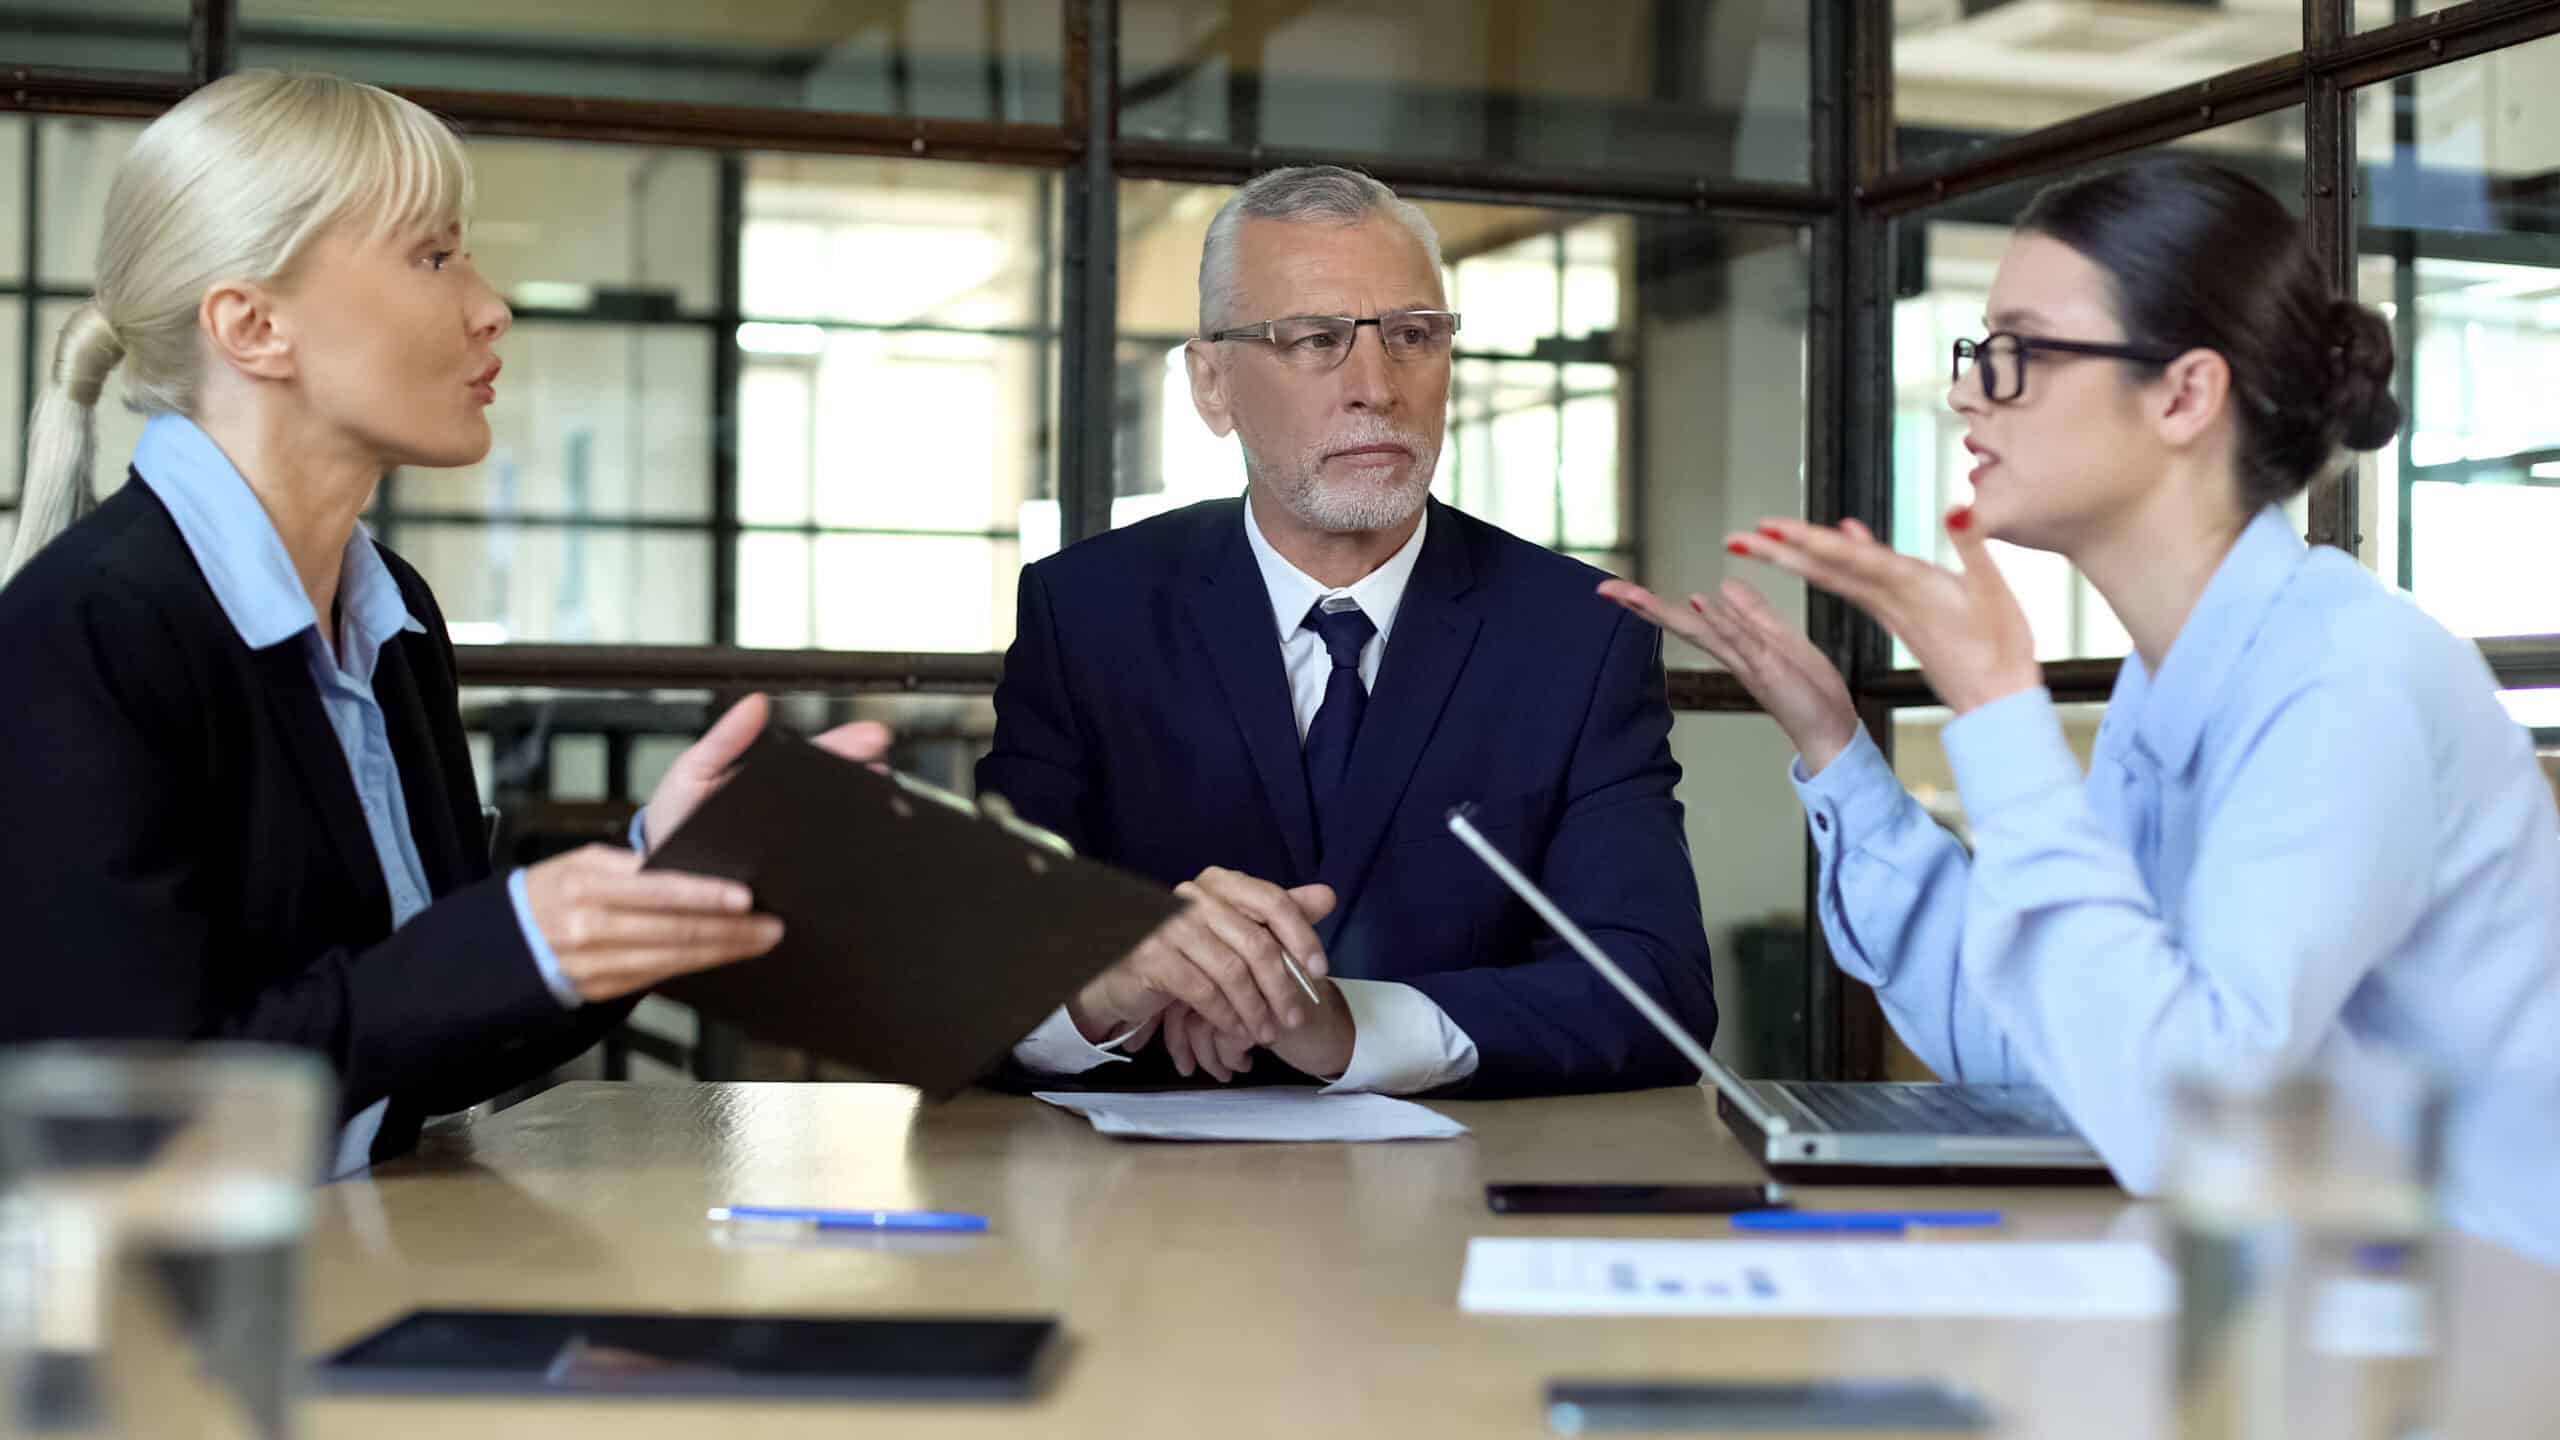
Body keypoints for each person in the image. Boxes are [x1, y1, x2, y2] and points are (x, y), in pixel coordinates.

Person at [1600, 157, 2560, 1243]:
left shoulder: (2345, 681)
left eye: (2017, 352)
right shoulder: (2174, 676)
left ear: (2184, 394)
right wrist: (1832, 745)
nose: (1967, 391)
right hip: (2292, 1299)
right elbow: (2037, 1051)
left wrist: (2002, 716)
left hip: (2486, 1329)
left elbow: (2172, 1115)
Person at [0, 70, 884, 1174]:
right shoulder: (83, 632)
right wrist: (512, 936)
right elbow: (136, 1114)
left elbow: (429, 1049)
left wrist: (652, 867)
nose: (488, 303)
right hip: (179, 1314)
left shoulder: (392, 611)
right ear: (254, 325)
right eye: (434, 257)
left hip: (366, 1257)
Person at [982, 165, 1714, 1097]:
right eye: (1315, 339)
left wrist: (1348, 1026)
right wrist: (1109, 988)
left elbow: (1657, 991)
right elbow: (969, 984)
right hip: (1146, 1210)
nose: (1376, 385)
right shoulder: (1086, 614)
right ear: (1212, 385)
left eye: (1413, 335)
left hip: (1454, 1203)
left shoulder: (1579, 631)